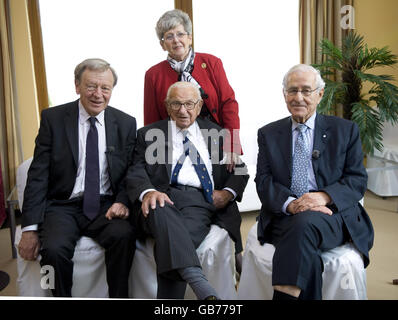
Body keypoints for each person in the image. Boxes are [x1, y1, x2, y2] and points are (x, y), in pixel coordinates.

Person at [18, 58, 137, 298]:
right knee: (52, 250)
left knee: (123, 236)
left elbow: (131, 172)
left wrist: (122, 201)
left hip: (106, 205)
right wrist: (29, 228)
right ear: (77, 86)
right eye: (91, 86)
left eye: (105, 88)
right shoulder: (53, 119)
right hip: (62, 205)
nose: (98, 94)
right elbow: (38, 174)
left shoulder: (125, 123)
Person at [255, 64, 374, 300]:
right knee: (302, 230)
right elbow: (264, 180)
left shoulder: (345, 130)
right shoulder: (268, 134)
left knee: (303, 225)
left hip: (333, 215)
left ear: (320, 94)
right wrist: (291, 204)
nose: (298, 97)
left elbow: (357, 179)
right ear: (284, 95)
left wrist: (323, 197)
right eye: (292, 90)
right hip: (287, 213)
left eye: (306, 90)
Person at [127, 81, 248, 299]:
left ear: (200, 105)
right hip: (161, 197)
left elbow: (240, 170)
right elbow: (135, 170)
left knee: (173, 242)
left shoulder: (218, 133)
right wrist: (148, 192)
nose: (183, 110)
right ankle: (201, 286)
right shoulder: (148, 134)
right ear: (166, 105)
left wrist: (227, 193)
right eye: (176, 104)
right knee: (159, 205)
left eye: (189, 104)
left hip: (197, 201)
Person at [144, 9, 244, 270]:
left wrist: (232, 144)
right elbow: (152, 120)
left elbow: (228, 103)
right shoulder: (154, 74)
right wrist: (157, 162)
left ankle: (236, 251)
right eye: (168, 36)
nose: (175, 40)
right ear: (161, 43)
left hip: (213, 139)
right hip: (176, 139)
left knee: (227, 185)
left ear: (190, 37)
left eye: (180, 34)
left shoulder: (210, 62)